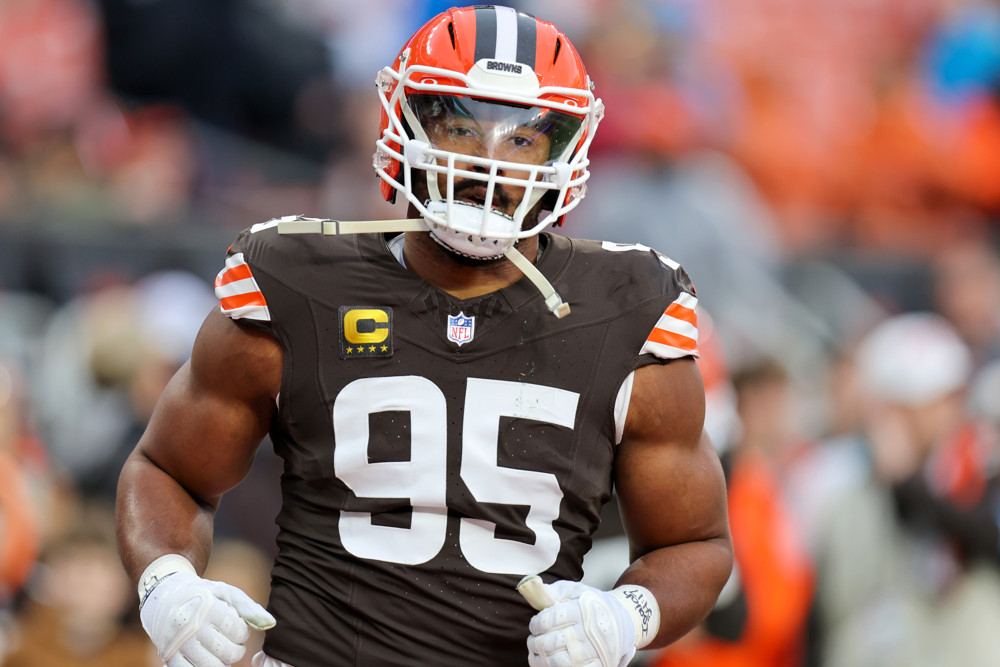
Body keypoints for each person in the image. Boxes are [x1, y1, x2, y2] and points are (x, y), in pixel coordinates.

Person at [115, 6, 733, 667]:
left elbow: (695, 542)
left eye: (522, 140)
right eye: (462, 128)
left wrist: (625, 612)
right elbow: (168, 469)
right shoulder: (297, 280)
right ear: (406, 125)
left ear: (565, 153)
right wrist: (168, 581)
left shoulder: (626, 305)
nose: (490, 162)